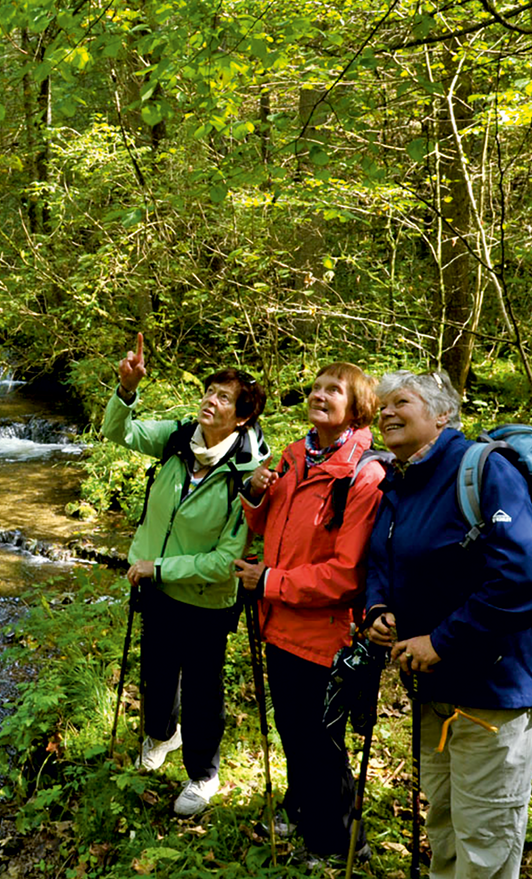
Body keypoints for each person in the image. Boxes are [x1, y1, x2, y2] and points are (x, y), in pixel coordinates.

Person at [362, 369, 532, 879]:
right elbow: (382, 559)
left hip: (492, 692)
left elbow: (521, 578)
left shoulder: (485, 471)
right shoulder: (399, 480)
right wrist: (378, 611)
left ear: (442, 414)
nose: (386, 414)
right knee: (443, 823)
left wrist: (441, 640)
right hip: (433, 691)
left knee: (484, 835)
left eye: (401, 402)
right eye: (382, 407)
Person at [104, 332, 269, 816]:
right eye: (209, 391)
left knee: (201, 688)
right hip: (156, 588)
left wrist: (157, 565)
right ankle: (161, 735)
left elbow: (226, 560)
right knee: (156, 673)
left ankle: (203, 774)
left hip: (205, 598)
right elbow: (122, 433)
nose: (210, 401)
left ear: (242, 417)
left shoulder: (248, 474)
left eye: (223, 397)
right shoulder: (178, 439)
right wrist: (126, 392)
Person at [236, 363, 384, 862]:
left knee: (323, 744)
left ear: (357, 405)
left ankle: (339, 845)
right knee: (293, 731)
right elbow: (268, 529)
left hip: (326, 634)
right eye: (316, 387)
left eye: (334, 390)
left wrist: (270, 581)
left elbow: (346, 574)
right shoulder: (295, 455)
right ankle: (302, 810)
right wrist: (255, 495)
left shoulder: (363, 473)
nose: (320, 395)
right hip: (279, 623)